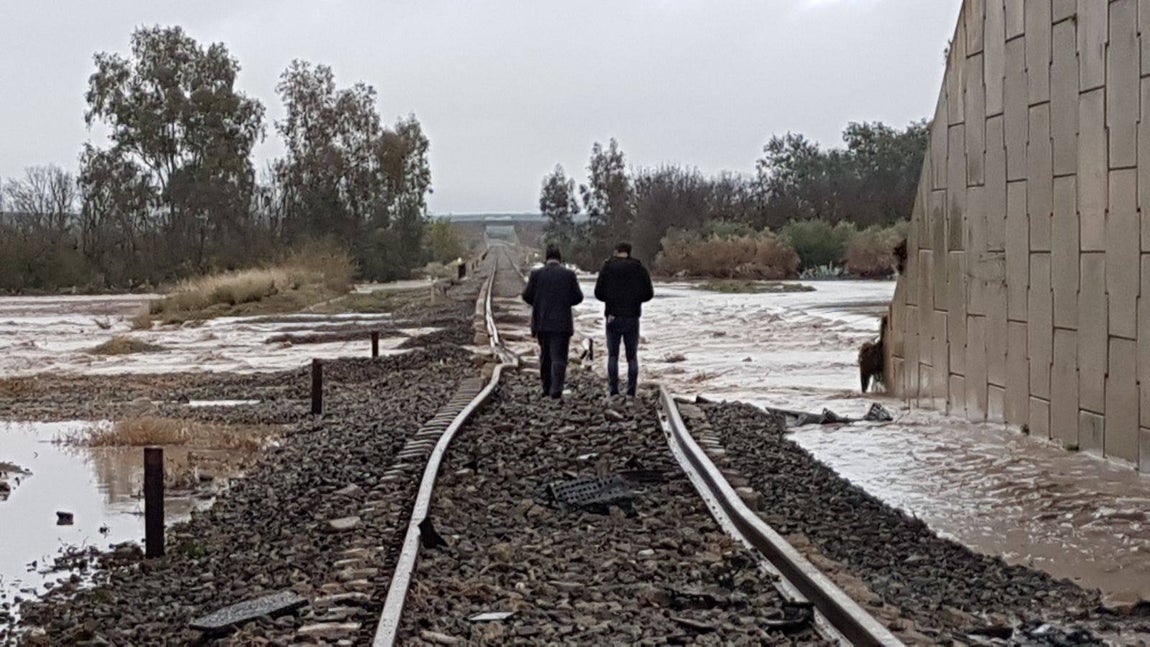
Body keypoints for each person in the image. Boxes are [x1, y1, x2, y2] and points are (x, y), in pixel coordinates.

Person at [522, 244, 584, 399]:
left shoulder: (537, 274)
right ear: (560, 258)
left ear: (546, 258)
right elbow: (578, 297)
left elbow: (526, 295)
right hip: (562, 323)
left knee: (545, 356)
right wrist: (565, 302)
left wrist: (539, 303)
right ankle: (556, 390)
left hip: (542, 321)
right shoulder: (569, 274)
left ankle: (546, 387)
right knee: (559, 357)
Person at [594, 242, 654, 397]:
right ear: (629, 252)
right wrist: (635, 300)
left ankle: (613, 391)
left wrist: (610, 299)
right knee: (632, 356)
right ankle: (631, 392)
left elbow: (598, 293)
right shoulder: (639, 268)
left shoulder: (607, 268)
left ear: (616, 251)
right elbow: (649, 293)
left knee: (613, 355)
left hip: (613, 316)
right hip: (632, 316)